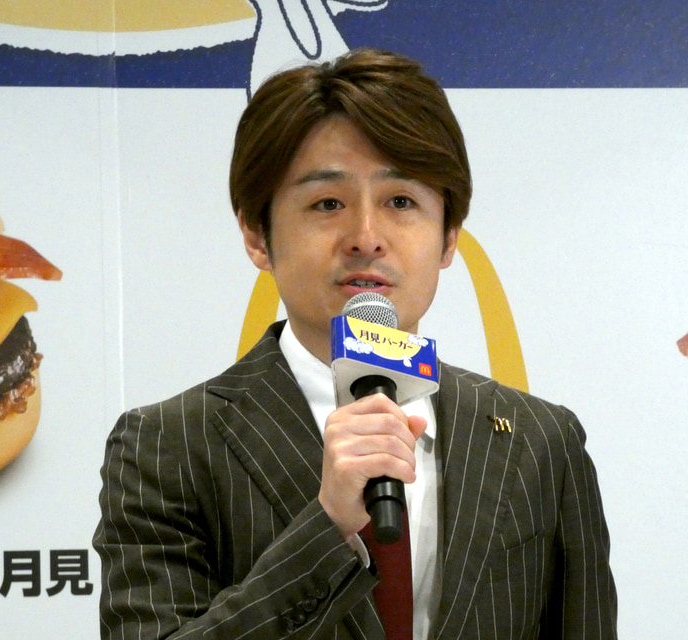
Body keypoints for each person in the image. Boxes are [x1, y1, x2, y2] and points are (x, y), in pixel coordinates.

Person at [93, 47, 618, 639]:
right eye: (328, 203)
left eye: (401, 201)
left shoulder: (541, 441)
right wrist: (326, 527)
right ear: (258, 235)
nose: (366, 237)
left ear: (449, 237)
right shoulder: (166, 445)